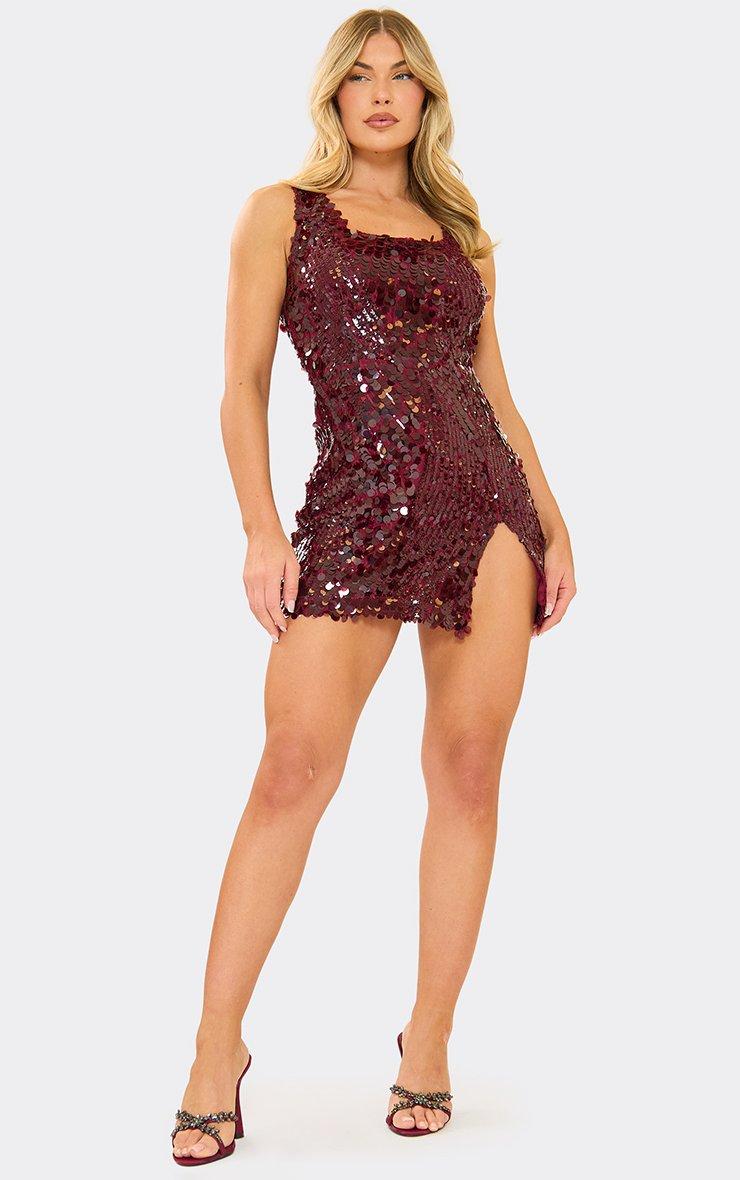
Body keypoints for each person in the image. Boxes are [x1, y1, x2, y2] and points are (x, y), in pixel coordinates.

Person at [171, 7, 576, 1163]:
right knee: (290, 771)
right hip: (351, 509)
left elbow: (493, 391)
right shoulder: (281, 213)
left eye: (402, 76)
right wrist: (260, 529)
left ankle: (427, 1041)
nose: (383, 93)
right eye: (361, 76)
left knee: (466, 771)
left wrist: (551, 523)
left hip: (484, 511)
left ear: (426, 96)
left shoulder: (462, 233)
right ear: (334, 95)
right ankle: (213, 1049)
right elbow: (243, 383)